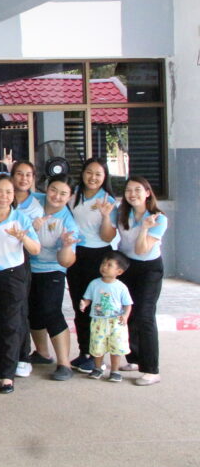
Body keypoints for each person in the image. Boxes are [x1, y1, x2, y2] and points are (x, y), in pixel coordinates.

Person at [0, 175, 41, 394]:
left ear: (13, 195)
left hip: (13, 276)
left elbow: (35, 249)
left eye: (8, 192)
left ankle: (7, 374)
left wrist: (23, 237)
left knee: (10, 324)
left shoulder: (20, 218)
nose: (4, 196)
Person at [113, 175, 167, 386]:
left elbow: (141, 249)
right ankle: (134, 359)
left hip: (149, 269)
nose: (133, 194)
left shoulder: (158, 218)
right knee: (129, 313)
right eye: (129, 190)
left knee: (145, 315)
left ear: (147, 193)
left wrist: (145, 227)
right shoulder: (122, 213)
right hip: (126, 266)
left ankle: (152, 369)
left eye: (138, 190)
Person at [28, 175, 81, 381]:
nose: (56, 196)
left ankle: (64, 364)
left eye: (63, 193)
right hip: (27, 267)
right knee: (32, 311)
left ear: (70, 196)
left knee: (51, 312)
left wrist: (67, 244)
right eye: (53, 190)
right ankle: (42, 353)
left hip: (52, 270)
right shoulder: (34, 201)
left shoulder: (68, 223)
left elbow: (66, 262)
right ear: (46, 188)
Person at [68, 159, 118, 373]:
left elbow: (108, 236)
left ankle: (98, 355)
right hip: (75, 253)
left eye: (98, 174)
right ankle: (84, 352)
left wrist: (106, 216)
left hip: (98, 256)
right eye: (89, 172)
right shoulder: (74, 193)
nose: (93, 177)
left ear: (104, 177)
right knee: (79, 304)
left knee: (97, 306)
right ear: (83, 174)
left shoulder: (108, 200)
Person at [10, 160, 43, 377]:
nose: (24, 178)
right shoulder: (2, 197)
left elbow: (34, 243)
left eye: (28, 175)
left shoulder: (35, 206)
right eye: (19, 174)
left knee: (19, 309)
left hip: (21, 260)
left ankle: (23, 356)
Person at [80, 251, 133, 382]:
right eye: (103, 263)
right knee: (97, 347)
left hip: (116, 322)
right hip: (98, 321)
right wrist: (84, 303)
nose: (104, 267)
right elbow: (88, 298)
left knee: (116, 347)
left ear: (119, 272)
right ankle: (97, 368)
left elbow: (128, 304)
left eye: (109, 265)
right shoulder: (94, 283)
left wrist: (125, 316)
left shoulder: (121, 287)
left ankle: (114, 371)